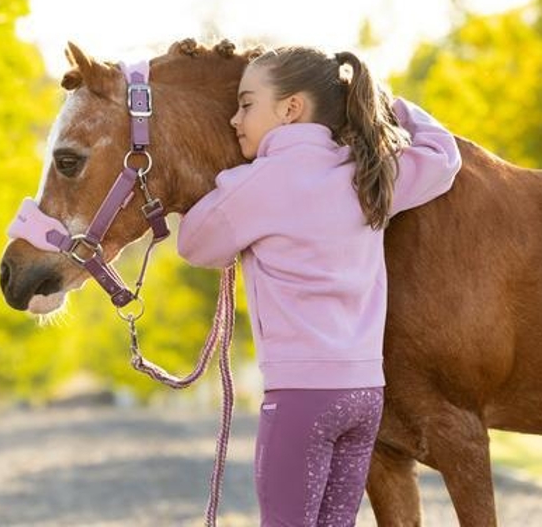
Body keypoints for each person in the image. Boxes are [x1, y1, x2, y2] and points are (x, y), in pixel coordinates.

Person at [176, 46, 462, 526]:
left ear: (291, 109)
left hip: (300, 398)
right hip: (364, 395)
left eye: (247, 104)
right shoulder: (369, 173)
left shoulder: (258, 183)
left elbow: (195, 244)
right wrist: (393, 106)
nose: (234, 119)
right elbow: (442, 155)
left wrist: (227, 187)